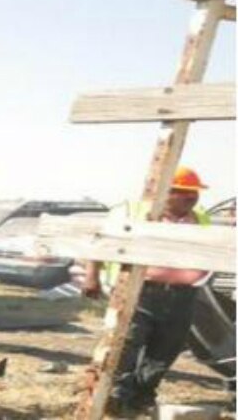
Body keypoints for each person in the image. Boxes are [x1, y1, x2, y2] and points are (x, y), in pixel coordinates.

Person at [83, 166, 212, 416]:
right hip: (139, 292)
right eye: (185, 193)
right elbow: (100, 242)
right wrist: (92, 276)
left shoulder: (200, 218)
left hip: (183, 295)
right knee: (126, 344)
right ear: (166, 191)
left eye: (195, 193)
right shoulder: (134, 212)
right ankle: (114, 395)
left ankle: (141, 395)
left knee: (166, 349)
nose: (192, 198)